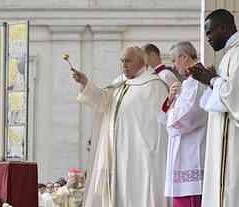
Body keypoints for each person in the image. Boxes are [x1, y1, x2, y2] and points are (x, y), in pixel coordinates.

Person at [188, 9, 239, 207]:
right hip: (228, 143)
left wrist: (212, 80)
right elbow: (223, 96)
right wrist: (210, 80)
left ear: (224, 28)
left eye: (209, 32)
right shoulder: (231, 54)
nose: (207, 38)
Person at [71, 46, 169, 207]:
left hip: (140, 158)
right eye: (122, 61)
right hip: (116, 155)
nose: (124, 65)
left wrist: (149, 155)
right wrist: (85, 82)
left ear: (141, 61)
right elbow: (103, 101)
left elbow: (158, 127)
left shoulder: (154, 86)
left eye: (128, 61)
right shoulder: (120, 83)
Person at [161, 41, 207, 207]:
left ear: (184, 57)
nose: (173, 66)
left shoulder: (197, 81)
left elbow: (187, 117)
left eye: (174, 60)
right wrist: (173, 100)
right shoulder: (189, 82)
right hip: (185, 157)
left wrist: (170, 116)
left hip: (192, 158)